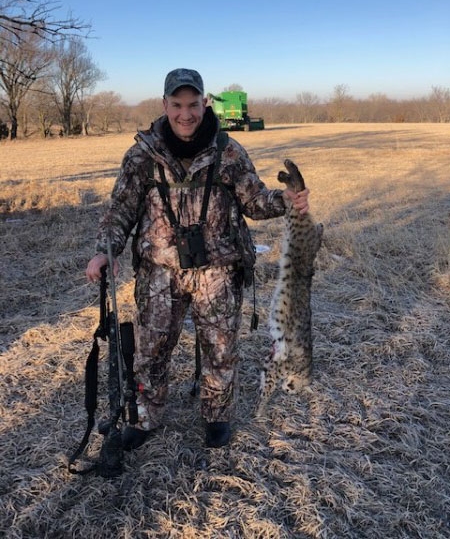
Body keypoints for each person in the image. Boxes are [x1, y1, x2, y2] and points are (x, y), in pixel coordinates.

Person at [86, 68, 310, 450]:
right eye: (177, 105)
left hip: (218, 268)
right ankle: (144, 417)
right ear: (164, 105)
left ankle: (217, 415)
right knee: (150, 349)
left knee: (220, 349)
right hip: (159, 269)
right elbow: (121, 208)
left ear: (205, 104)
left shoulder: (229, 151)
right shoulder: (142, 154)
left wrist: (285, 200)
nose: (185, 114)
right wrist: (104, 252)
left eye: (193, 105)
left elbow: (253, 201)